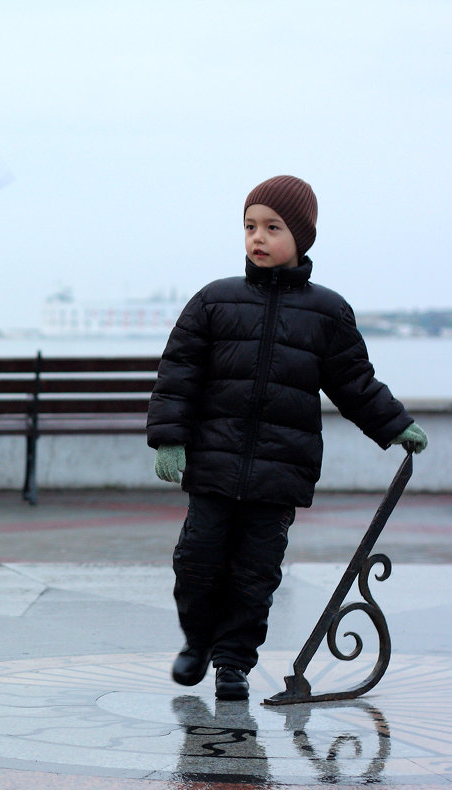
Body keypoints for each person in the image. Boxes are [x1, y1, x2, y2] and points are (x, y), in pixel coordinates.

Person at [146, 175, 428, 702]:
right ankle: (197, 643)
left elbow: (354, 383)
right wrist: (169, 439)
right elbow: (178, 374)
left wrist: (394, 425)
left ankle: (233, 663)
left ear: (300, 238)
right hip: (213, 466)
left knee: (255, 576)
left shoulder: (327, 313)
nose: (258, 237)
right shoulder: (214, 302)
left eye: (272, 227)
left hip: (280, 472)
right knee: (197, 561)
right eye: (250, 226)